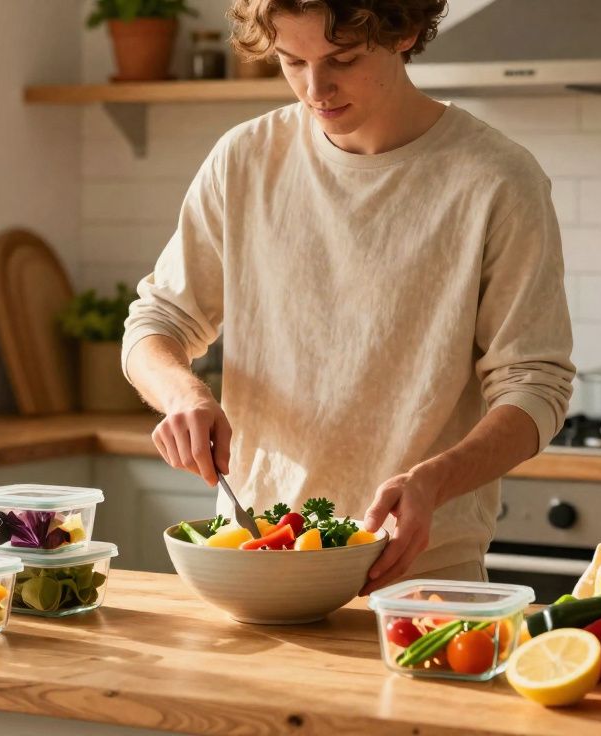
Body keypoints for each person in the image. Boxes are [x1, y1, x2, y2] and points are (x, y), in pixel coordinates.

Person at [121, 0, 574, 594]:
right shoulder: (245, 160)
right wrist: (182, 393)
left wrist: (433, 481)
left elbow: (535, 385)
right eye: (292, 61)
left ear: (404, 32)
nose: (316, 88)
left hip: (421, 573)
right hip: (263, 557)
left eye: (343, 59)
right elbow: (156, 321)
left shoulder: (497, 180)